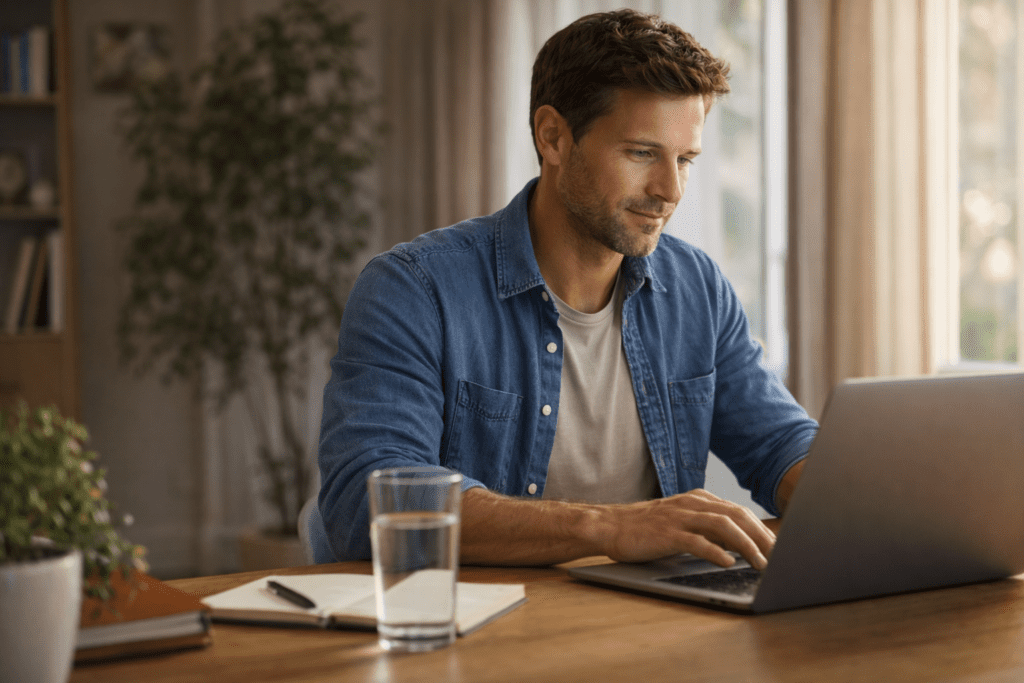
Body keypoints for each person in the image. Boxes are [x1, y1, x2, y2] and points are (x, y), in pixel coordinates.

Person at [312, 9, 817, 571]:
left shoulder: (697, 288)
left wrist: (879, 499)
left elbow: (779, 445)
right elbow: (366, 499)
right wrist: (606, 526)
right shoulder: (414, 290)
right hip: (476, 628)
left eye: (686, 159)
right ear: (552, 136)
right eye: (642, 153)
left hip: (643, 624)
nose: (669, 190)